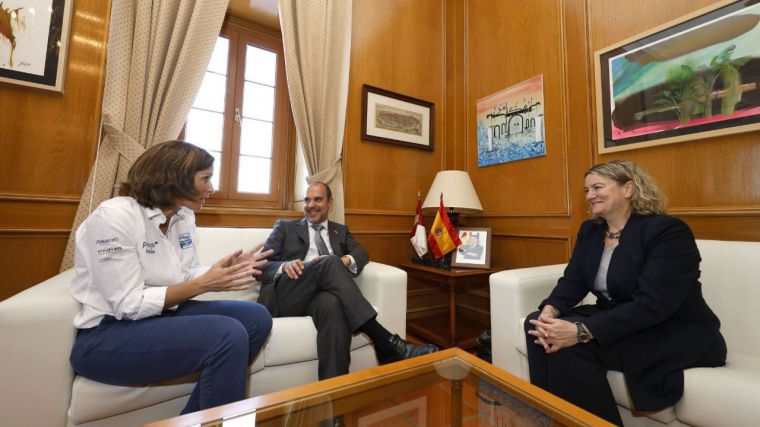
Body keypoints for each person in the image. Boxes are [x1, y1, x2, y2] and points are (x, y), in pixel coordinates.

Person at [69, 140, 273, 415]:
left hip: (159, 317)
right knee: (228, 334)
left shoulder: (183, 217)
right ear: (174, 177)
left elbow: (184, 274)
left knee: (256, 316)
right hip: (106, 335)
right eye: (206, 178)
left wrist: (225, 270)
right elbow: (128, 305)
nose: (212, 188)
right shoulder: (114, 217)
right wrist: (204, 283)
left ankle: (194, 420)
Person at [524, 160, 726, 426]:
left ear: (628, 189)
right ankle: (551, 418)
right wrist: (550, 310)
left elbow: (654, 304)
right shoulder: (591, 230)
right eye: (586, 190)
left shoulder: (667, 231)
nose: (590, 195)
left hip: (668, 327)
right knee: (536, 324)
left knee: (572, 347)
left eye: (597, 187)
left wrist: (582, 330)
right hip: (621, 318)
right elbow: (573, 280)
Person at [258, 182, 438, 380]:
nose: (311, 205)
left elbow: (362, 253)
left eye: (317, 199)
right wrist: (284, 266)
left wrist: (345, 260)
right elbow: (259, 266)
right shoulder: (285, 227)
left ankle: (334, 395)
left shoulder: (340, 231)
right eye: (307, 200)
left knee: (333, 305)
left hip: (320, 299)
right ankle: (385, 341)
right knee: (329, 262)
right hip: (288, 294)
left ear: (330, 203)